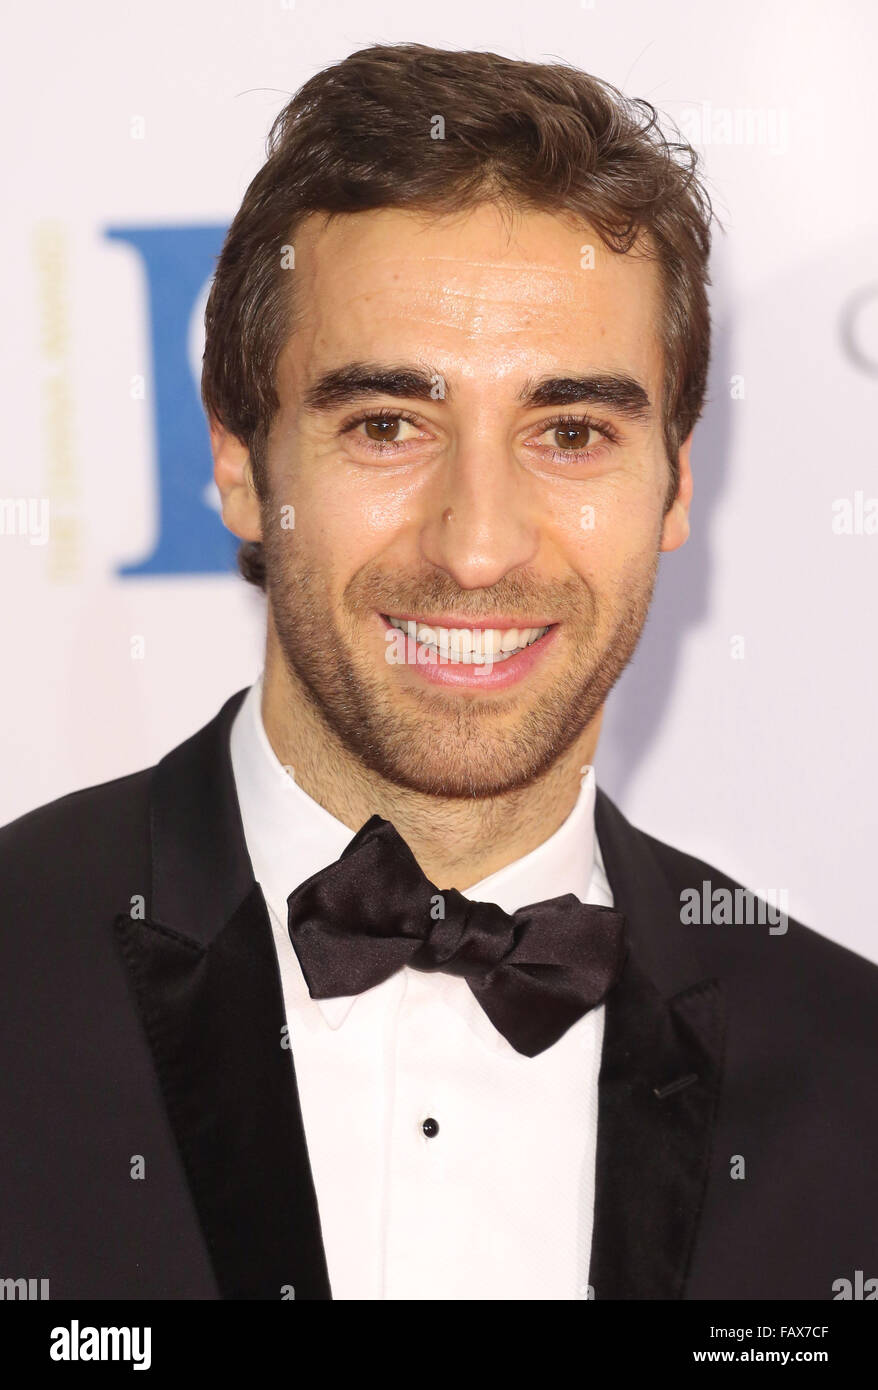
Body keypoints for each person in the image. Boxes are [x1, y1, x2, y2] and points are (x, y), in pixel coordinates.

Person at [1, 42, 876, 1302]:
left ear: (675, 484)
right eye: (386, 426)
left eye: (568, 431)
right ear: (242, 465)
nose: (475, 547)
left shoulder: (848, 1074)